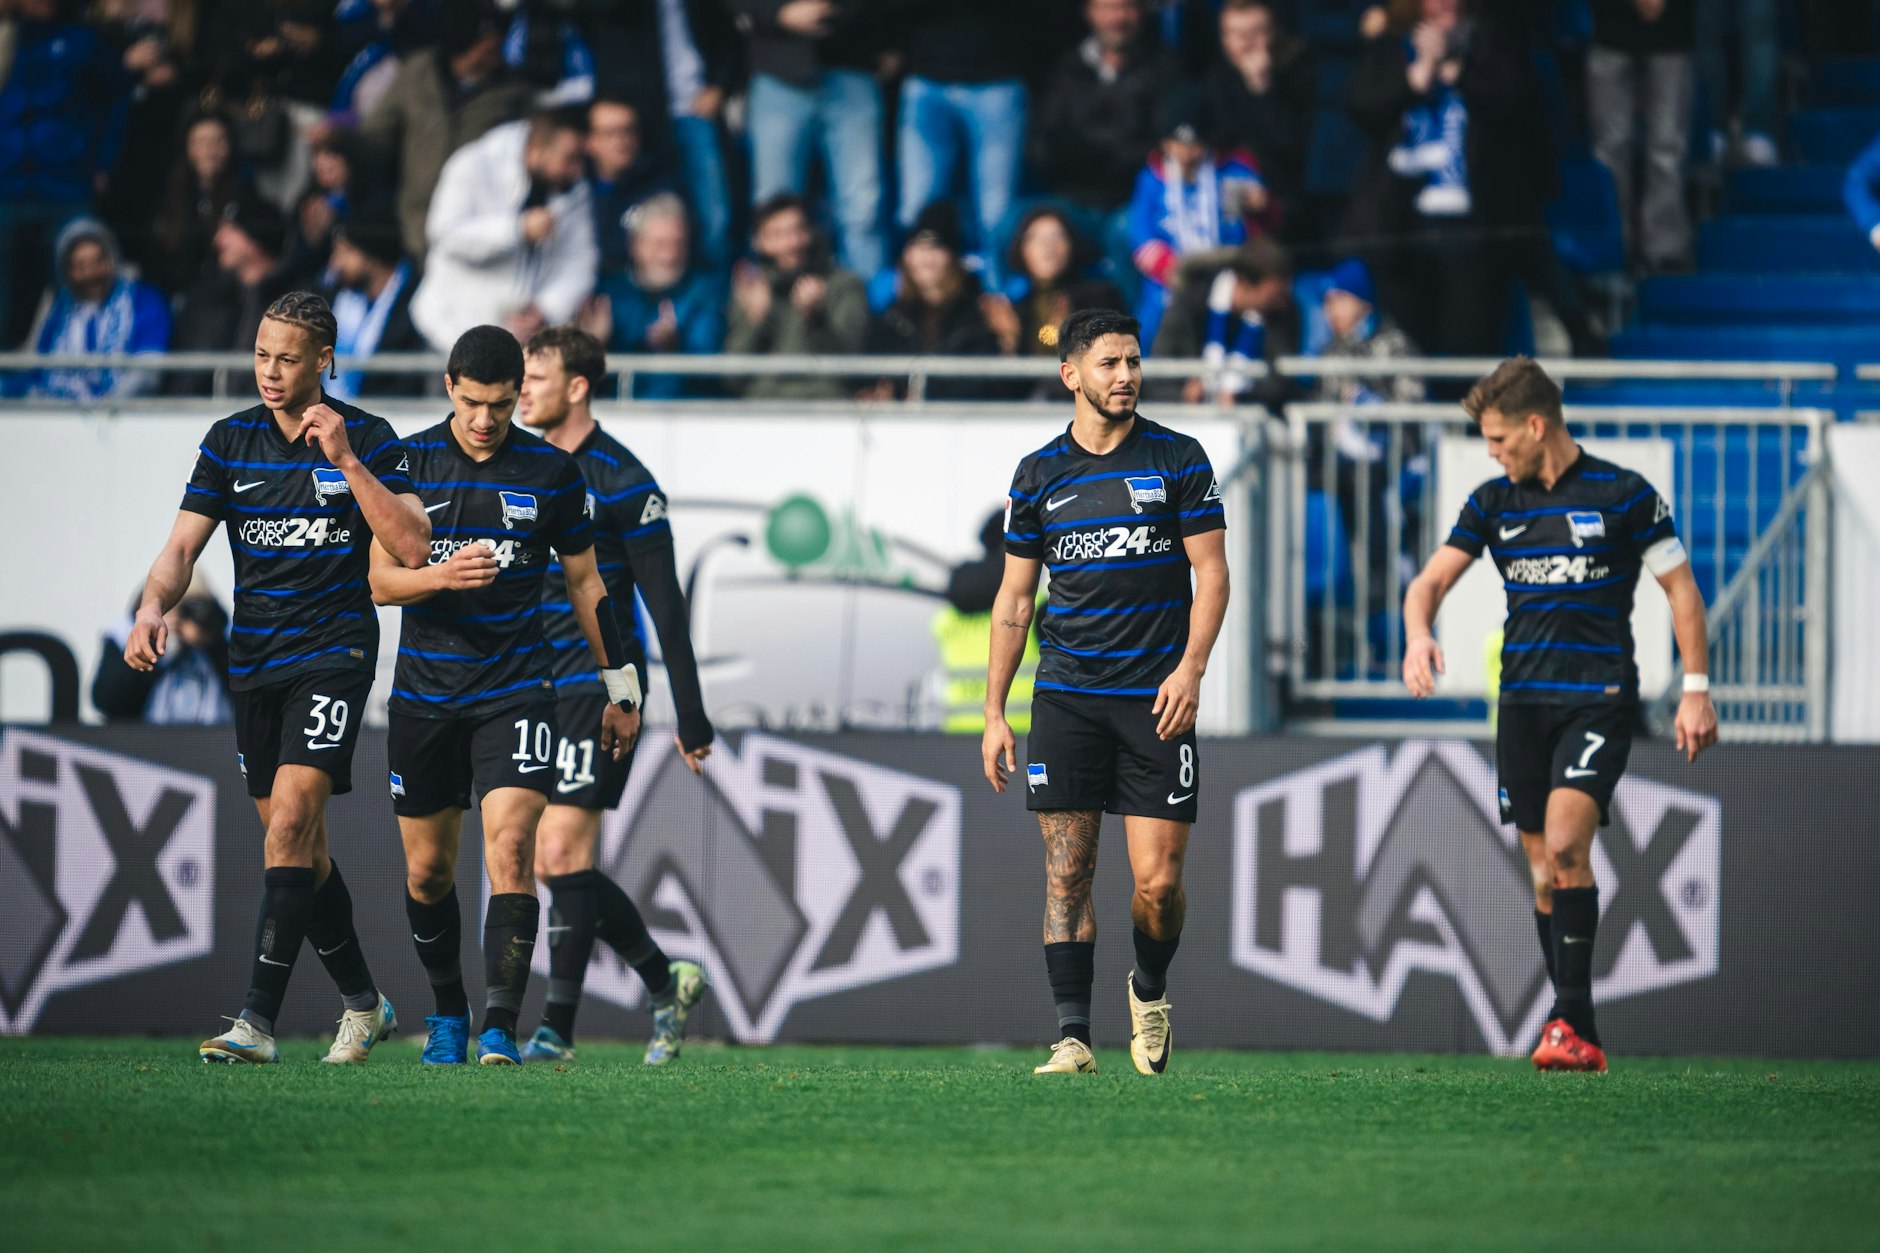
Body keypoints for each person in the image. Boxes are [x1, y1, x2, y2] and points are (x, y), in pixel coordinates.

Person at [125, 291, 432, 1065]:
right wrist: (152, 605)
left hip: (333, 654)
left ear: (323, 359)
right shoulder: (229, 441)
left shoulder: (369, 436)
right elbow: (181, 546)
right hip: (254, 663)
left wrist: (348, 463)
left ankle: (255, 1022)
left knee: (293, 820)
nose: (269, 370)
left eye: (287, 357)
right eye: (262, 354)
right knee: (295, 846)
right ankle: (365, 1004)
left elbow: (414, 543)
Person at [1401, 357, 1718, 1073]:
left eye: (1499, 439)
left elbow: (1682, 592)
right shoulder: (1493, 502)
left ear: (1536, 425)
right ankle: (1576, 1025)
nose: (1492, 452)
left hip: (1598, 697)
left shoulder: (1625, 495)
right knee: (1545, 869)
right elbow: (1428, 582)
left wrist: (1695, 687)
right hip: (1520, 707)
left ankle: (1567, 1021)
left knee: (1570, 846)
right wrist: (1419, 633)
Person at [367, 325, 636, 1067]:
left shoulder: (551, 472)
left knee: (513, 848)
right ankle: (447, 1011)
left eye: (502, 404)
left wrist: (622, 684)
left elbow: (587, 583)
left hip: (519, 687)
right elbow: (379, 580)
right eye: (474, 402)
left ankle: (498, 1027)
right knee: (427, 870)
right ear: (449, 387)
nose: (486, 419)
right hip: (425, 693)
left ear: (521, 395)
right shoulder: (408, 460)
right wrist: (437, 579)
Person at [982, 308, 1230, 1077]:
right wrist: (994, 711)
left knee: (1157, 885)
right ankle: (1073, 1037)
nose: (1125, 375)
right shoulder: (1038, 475)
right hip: (1066, 696)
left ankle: (1149, 991)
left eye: (1132, 362)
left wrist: (1189, 669)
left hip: (1156, 700)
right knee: (1067, 872)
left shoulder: (1179, 458)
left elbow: (1212, 576)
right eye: (1109, 364)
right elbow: (1015, 601)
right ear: (1072, 375)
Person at [512, 325, 715, 1065]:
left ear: (577, 386)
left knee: (562, 851)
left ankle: (555, 1032)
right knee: (546, 860)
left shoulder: (625, 479)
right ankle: (665, 981)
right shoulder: (520, 468)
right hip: (528, 687)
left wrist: (690, 716)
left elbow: (666, 610)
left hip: (605, 692)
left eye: (536, 376)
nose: (522, 387)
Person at [1344, 0, 1546, 358]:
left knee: (1466, 349)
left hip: (1474, 229)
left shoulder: (1493, 40)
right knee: (1410, 349)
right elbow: (1363, 108)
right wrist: (1417, 75)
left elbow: (1516, 103)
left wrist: (1456, 71)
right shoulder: (1391, 44)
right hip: (1401, 229)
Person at [409, 108, 598, 353]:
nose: (577, 170)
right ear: (536, 149)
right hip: (448, 333)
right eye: (570, 158)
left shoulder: (573, 189)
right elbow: (444, 235)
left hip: (513, 347)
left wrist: (545, 309)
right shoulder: (473, 163)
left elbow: (580, 261)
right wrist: (516, 230)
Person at [356, 1, 531, 261]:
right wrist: (340, 144)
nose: (494, 46)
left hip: (476, 227)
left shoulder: (513, 94)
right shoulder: (419, 72)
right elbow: (375, 135)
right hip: (415, 224)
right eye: (487, 40)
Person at [0, 0, 129, 346]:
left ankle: (74, 382)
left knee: (76, 295)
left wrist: (104, 162)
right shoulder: (8, 37)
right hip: (7, 189)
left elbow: (118, 96)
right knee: (6, 300)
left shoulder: (81, 41)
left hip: (67, 189)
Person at [733, 0, 891, 280]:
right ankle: (775, 311)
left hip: (853, 61)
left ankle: (864, 313)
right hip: (778, 67)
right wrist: (778, 12)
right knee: (773, 209)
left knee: (863, 210)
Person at [892, 0, 1031, 281]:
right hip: (925, 73)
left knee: (996, 213)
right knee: (917, 208)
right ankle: (916, 304)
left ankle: (998, 298)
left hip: (998, 74)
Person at [1127, 85, 1267, 352]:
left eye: (1194, 144)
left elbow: (1260, 213)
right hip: (1171, 278)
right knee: (1149, 326)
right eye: (1178, 144)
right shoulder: (1152, 178)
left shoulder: (1230, 171)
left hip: (1227, 271)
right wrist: (1168, 267)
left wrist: (1259, 202)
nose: (1186, 152)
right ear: (1165, 143)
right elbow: (1140, 231)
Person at [1028, 0, 1175, 228]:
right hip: (1071, 197)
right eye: (1108, 7)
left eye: (1127, 7)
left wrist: (1095, 149)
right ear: (1089, 12)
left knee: (1127, 230)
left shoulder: (1164, 68)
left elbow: (1162, 146)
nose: (1118, 18)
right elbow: (1045, 145)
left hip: (1136, 200)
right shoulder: (1066, 69)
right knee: (1011, 229)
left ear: (1142, 12)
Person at [724, 193, 871, 399]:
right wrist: (754, 322)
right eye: (777, 235)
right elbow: (732, 377)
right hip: (764, 412)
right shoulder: (751, 290)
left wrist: (817, 321)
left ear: (811, 232)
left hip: (827, 409)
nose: (791, 243)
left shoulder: (844, 285)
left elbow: (853, 369)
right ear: (759, 242)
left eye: (798, 230)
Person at [1589, 0, 1697, 274]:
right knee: (1609, 151)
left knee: (1666, 148)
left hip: (1671, 32)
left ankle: (1664, 251)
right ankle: (1613, 246)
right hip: (1609, 30)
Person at [866, 203, 1014, 400]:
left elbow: (987, 385)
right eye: (919, 247)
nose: (927, 258)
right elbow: (869, 377)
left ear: (953, 257)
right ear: (907, 256)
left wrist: (1011, 342)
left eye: (936, 248)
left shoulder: (980, 314)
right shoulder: (892, 318)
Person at [585, 193, 725, 399]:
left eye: (677, 244)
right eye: (660, 244)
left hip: (686, 416)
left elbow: (712, 368)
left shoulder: (704, 294)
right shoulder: (610, 293)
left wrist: (676, 348)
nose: (669, 256)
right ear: (636, 245)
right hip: (614, 415)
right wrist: (594, 345)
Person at [21, 217, 170, 402]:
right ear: (66, 272)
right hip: (61, 417)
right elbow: (39, 373)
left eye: (98, 261)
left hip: (127, 416)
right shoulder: (60, 310)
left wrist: (106, 405)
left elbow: (148, 371)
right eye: (80, 266)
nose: (91, 274)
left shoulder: (143, 299)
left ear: (112, 259)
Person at [166, 194, 303, 393]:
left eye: (228, 230)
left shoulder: (297, 304)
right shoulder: (214, 296)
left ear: (254, 240)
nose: (218, 239)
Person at [1206, 0, 1314, 241]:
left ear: (1274, 33)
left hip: (1285, 198)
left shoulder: (1298, 74)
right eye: (1236, 34)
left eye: (1255, 33)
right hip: (1225, 193)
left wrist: (1262, 88)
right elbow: (1219, 142)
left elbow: (1291, 147)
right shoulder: (1214, 80)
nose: (1246, 42)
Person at [1151, 239, 1298, 408]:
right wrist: (1183, 393)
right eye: (1275, 295)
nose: (1281, 303)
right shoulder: (1190, 303)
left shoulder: (1284, 315)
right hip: (1187, 418)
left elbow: (1281, 380)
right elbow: (1159, 371)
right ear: (1244, 283)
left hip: (1252, 420)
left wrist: (1241, 398)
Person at [94, 578, 232, 726]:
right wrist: (152, 645)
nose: (179, 617)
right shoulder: (123, 635)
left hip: (215, 741)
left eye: (188, 608)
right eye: (171, 605)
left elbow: (247, 697)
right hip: (145, 742)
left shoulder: (224, 640)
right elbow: (106, 701)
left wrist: (211, 641)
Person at [1004, 205, 1127, 361]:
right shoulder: (1018, 309)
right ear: (1021, 250)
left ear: (1072, 244)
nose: (1047, 246)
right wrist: (1010, 345)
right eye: (1035, 238)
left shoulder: (1099, 298)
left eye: (1057, 236)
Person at [324, 215, 426, 400]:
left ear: (371, 256)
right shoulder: (337, 298)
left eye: (344, 252)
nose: (335, 263)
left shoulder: (417, 305)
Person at [150, 111, 247, 295]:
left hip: (230, 299)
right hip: (179, 299)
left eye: (219, 141)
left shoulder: (246, 197)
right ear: (188, 148)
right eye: (202, 142)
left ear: (230, 147)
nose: (211, 150)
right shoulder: (168, 201)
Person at [585, 93, 680, 278]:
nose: (621, 140)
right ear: (589, 141)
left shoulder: (659, 186)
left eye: (628, 131)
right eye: (610, 133)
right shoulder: (575, 188)